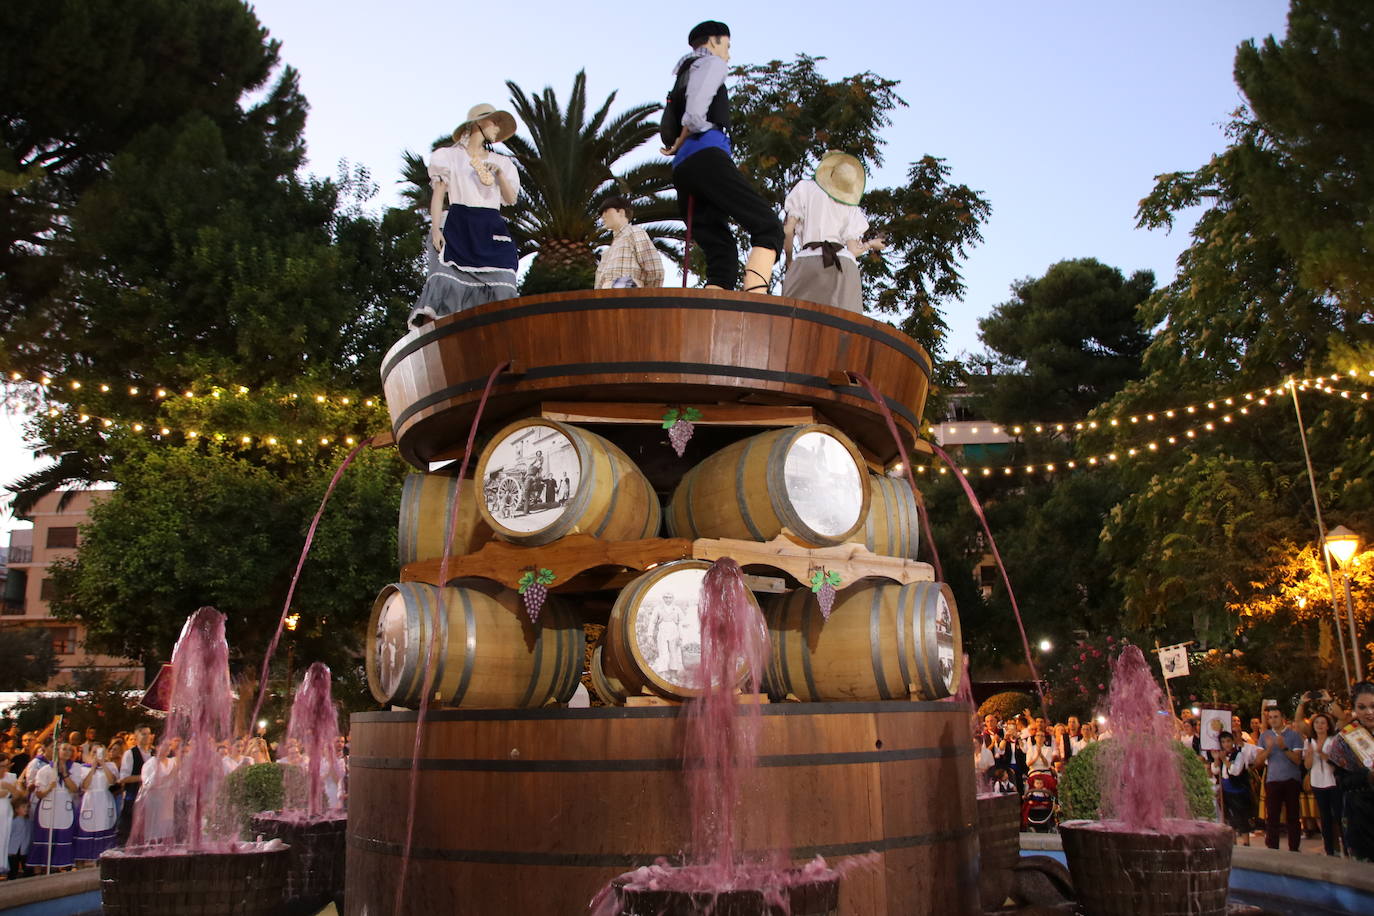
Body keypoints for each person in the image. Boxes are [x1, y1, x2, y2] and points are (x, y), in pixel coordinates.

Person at [661, 21, 783, 293]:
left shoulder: (683, 72)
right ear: (713, 41)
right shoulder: (710, 63)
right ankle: (757, 301)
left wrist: (678, 144)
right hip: (706, 156)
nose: (728, 54)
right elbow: (694, 115)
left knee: (721, 248)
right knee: (768, 226)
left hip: (683, 169)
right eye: (727, 46)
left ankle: (711, 305)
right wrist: (680, 140)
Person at [408, 103, 521, 328]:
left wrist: (500, 175)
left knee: (503, 284)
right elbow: (439, 193)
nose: (497, 128)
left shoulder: (502, 163)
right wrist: (435, 229)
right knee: (446, 281)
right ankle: (440, 335)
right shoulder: (449, 157)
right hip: (460, 224)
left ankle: (495, 335)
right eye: (493, 122)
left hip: (491, 227)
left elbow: (510, 199)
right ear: (478, 123)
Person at [780, 151, 885, 313]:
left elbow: (788, 230)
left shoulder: (805, 188)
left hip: (808, 259)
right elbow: (853, 250)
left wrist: (789, 261)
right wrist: (871, 244)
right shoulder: (850, 203)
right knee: (845, 324)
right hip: (844, 264)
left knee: (793, 319)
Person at [1329, 681, 1374, 861]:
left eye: (1373, 706)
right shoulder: (1344, 739)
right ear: (1354, 709)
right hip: (1361, 815)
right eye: (1362, 707)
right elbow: (1341, 782)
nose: (1369, 712)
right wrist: (1367, 776)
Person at [1255, 704, 1305, 851]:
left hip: (1291, 780)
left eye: (1276, 717)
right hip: (1273, 780)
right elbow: (1258, 761)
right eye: (1270, 717)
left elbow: (1297, 760)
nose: (1273, 720)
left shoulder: (1294, 735)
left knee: (1293, 816)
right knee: (1272, 816)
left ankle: (1294, 848)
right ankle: (1272, 848)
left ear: (1283, 718)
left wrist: (1284, 747)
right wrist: (1269, 748)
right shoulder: (1264, 736)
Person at [595, 196, 664, 289]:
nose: (603, 216)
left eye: (606, 211)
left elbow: (655, 269)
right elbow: (598, 284)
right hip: (606, 295)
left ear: (621, 212)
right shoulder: (607, 251)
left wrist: (647, 294)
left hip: (630, 294)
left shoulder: (634, 232)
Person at [31, 742, 78, 872]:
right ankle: (39, 871)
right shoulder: (45, 770)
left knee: (62, 838)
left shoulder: (75, 768)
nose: (67, 752)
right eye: (64, 749)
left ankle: (57, 868)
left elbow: (74, 789)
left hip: (64, 808)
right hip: (48, 807)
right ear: (58, 751)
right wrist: (49, 788)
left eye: (70, 750)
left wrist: (65, 773)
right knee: (44, 838)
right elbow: (39, 793)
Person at [73, 743, 118, 862]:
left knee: (105, 825)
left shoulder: (111, 766)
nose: (97, 755)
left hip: (105, 800)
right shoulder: (83, 768)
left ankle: (104, 857)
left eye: (100, 752)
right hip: (90, 800)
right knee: (88, 826)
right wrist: (93, 768)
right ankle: (86, 859)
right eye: (94, 752)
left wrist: (103, 764)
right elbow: (85, 785)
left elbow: (112, 781)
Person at [1304, 712, 1341, 856]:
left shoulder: (1333, 740)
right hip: (1317, 782)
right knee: (1324, 817)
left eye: (1323, 723)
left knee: (1338, 815)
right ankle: (1329, 849)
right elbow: (1307, 766)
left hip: (1332, 782)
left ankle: (1343, 846)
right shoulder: (1309, 741)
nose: (1319, 725)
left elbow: (1336, 763)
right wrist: (1310, 755)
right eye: (1317, 723)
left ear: (1328, 726)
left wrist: (1321, 753)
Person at [1213, 732, 1256, 846]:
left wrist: (1225, 760)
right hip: (1226, 790)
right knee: (1230, 817)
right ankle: (1233, 841)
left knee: (1241, 816)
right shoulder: (1222, 755)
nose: (1226, 744)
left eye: (1228, 741)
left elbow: (1235, 771)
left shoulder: (1239, 755)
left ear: (1232, 741)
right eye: (1223, 742)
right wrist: (1217, 759)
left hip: (1238, 790)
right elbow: (1215, 771)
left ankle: (1246, 842)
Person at [116, 726, 155, 844]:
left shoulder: (154, 753)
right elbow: (124, 778)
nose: (147, 736)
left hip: (152, 798)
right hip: (134, 796)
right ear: (136, 737)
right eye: (143, 734)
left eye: (148, 733)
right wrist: (145, 777)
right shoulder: (130, 754)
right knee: (130, 827)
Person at [0, 755, 16, 879]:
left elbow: (19, 794)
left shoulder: (11, 777)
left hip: (5, 809)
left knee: (3, 837)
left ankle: (2, 865)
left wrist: (10, 789)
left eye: (6, 766)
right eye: (2, 766)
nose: (4, 769)